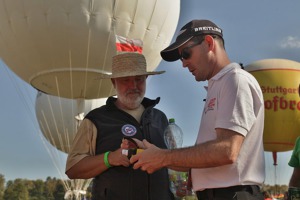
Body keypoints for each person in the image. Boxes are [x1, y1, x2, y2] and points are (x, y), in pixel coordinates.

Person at [130, 19, 266, 200]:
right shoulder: (218, 86)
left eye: (186, 54)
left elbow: (227, 151)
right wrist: (151, 153)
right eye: (181, 58)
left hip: (231, 194)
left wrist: (162, 157)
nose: (183, 63)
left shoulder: (235, 80)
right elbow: (205, 156)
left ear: (209, 43)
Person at [65, 52, 174, 200]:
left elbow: (173, 160)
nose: (133, 86)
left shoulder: (160, 118)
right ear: (113, 82)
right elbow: (73, 169)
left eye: (138, 79)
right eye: (125, 80)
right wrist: (109, 158)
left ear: (146, 78)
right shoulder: (95, 119)